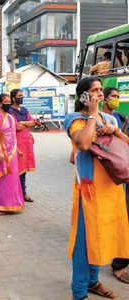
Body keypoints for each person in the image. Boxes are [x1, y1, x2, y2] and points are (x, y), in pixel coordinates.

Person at [64, 77, 129, 300]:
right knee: (85, 241)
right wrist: (92, 114)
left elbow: (124, 147)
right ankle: (79, 291)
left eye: (101, 90)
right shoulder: (75, 119)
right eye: (94, 90)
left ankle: (93, 281)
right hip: (89, 191)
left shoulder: (111, 118)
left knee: (103, 236)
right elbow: (82, 143)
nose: (100, 94)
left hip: (111, 188)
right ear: (83, 96)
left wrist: (115, 131)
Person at [101, 87, 129, 284]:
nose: (117, 100)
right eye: (114, 96)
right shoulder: (100, 119)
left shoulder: (121, 117)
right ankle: (119, 263)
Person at [0, 94, 25, 214]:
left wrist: (18, 150)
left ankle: (11, 204)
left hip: (12, 153)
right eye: (6, 101)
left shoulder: (10, 116)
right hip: (1, 153)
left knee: (11, 179)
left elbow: (12, 135)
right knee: (1, 180)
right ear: (0, 103)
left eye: (9, 101)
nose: (8, 103)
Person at [9, 89, 36, 202]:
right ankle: (16, 193)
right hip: (17, 142)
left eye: (22, 96)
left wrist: (23, 123)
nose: (22, 97)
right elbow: (16, 126)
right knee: (16, 168)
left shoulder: (24, 110)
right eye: (19, 96)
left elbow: (33, 122)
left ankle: (23, 192)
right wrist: (26, 123)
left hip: (26, 142)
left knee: (24, 169)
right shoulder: (10, 110)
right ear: (13, 98)